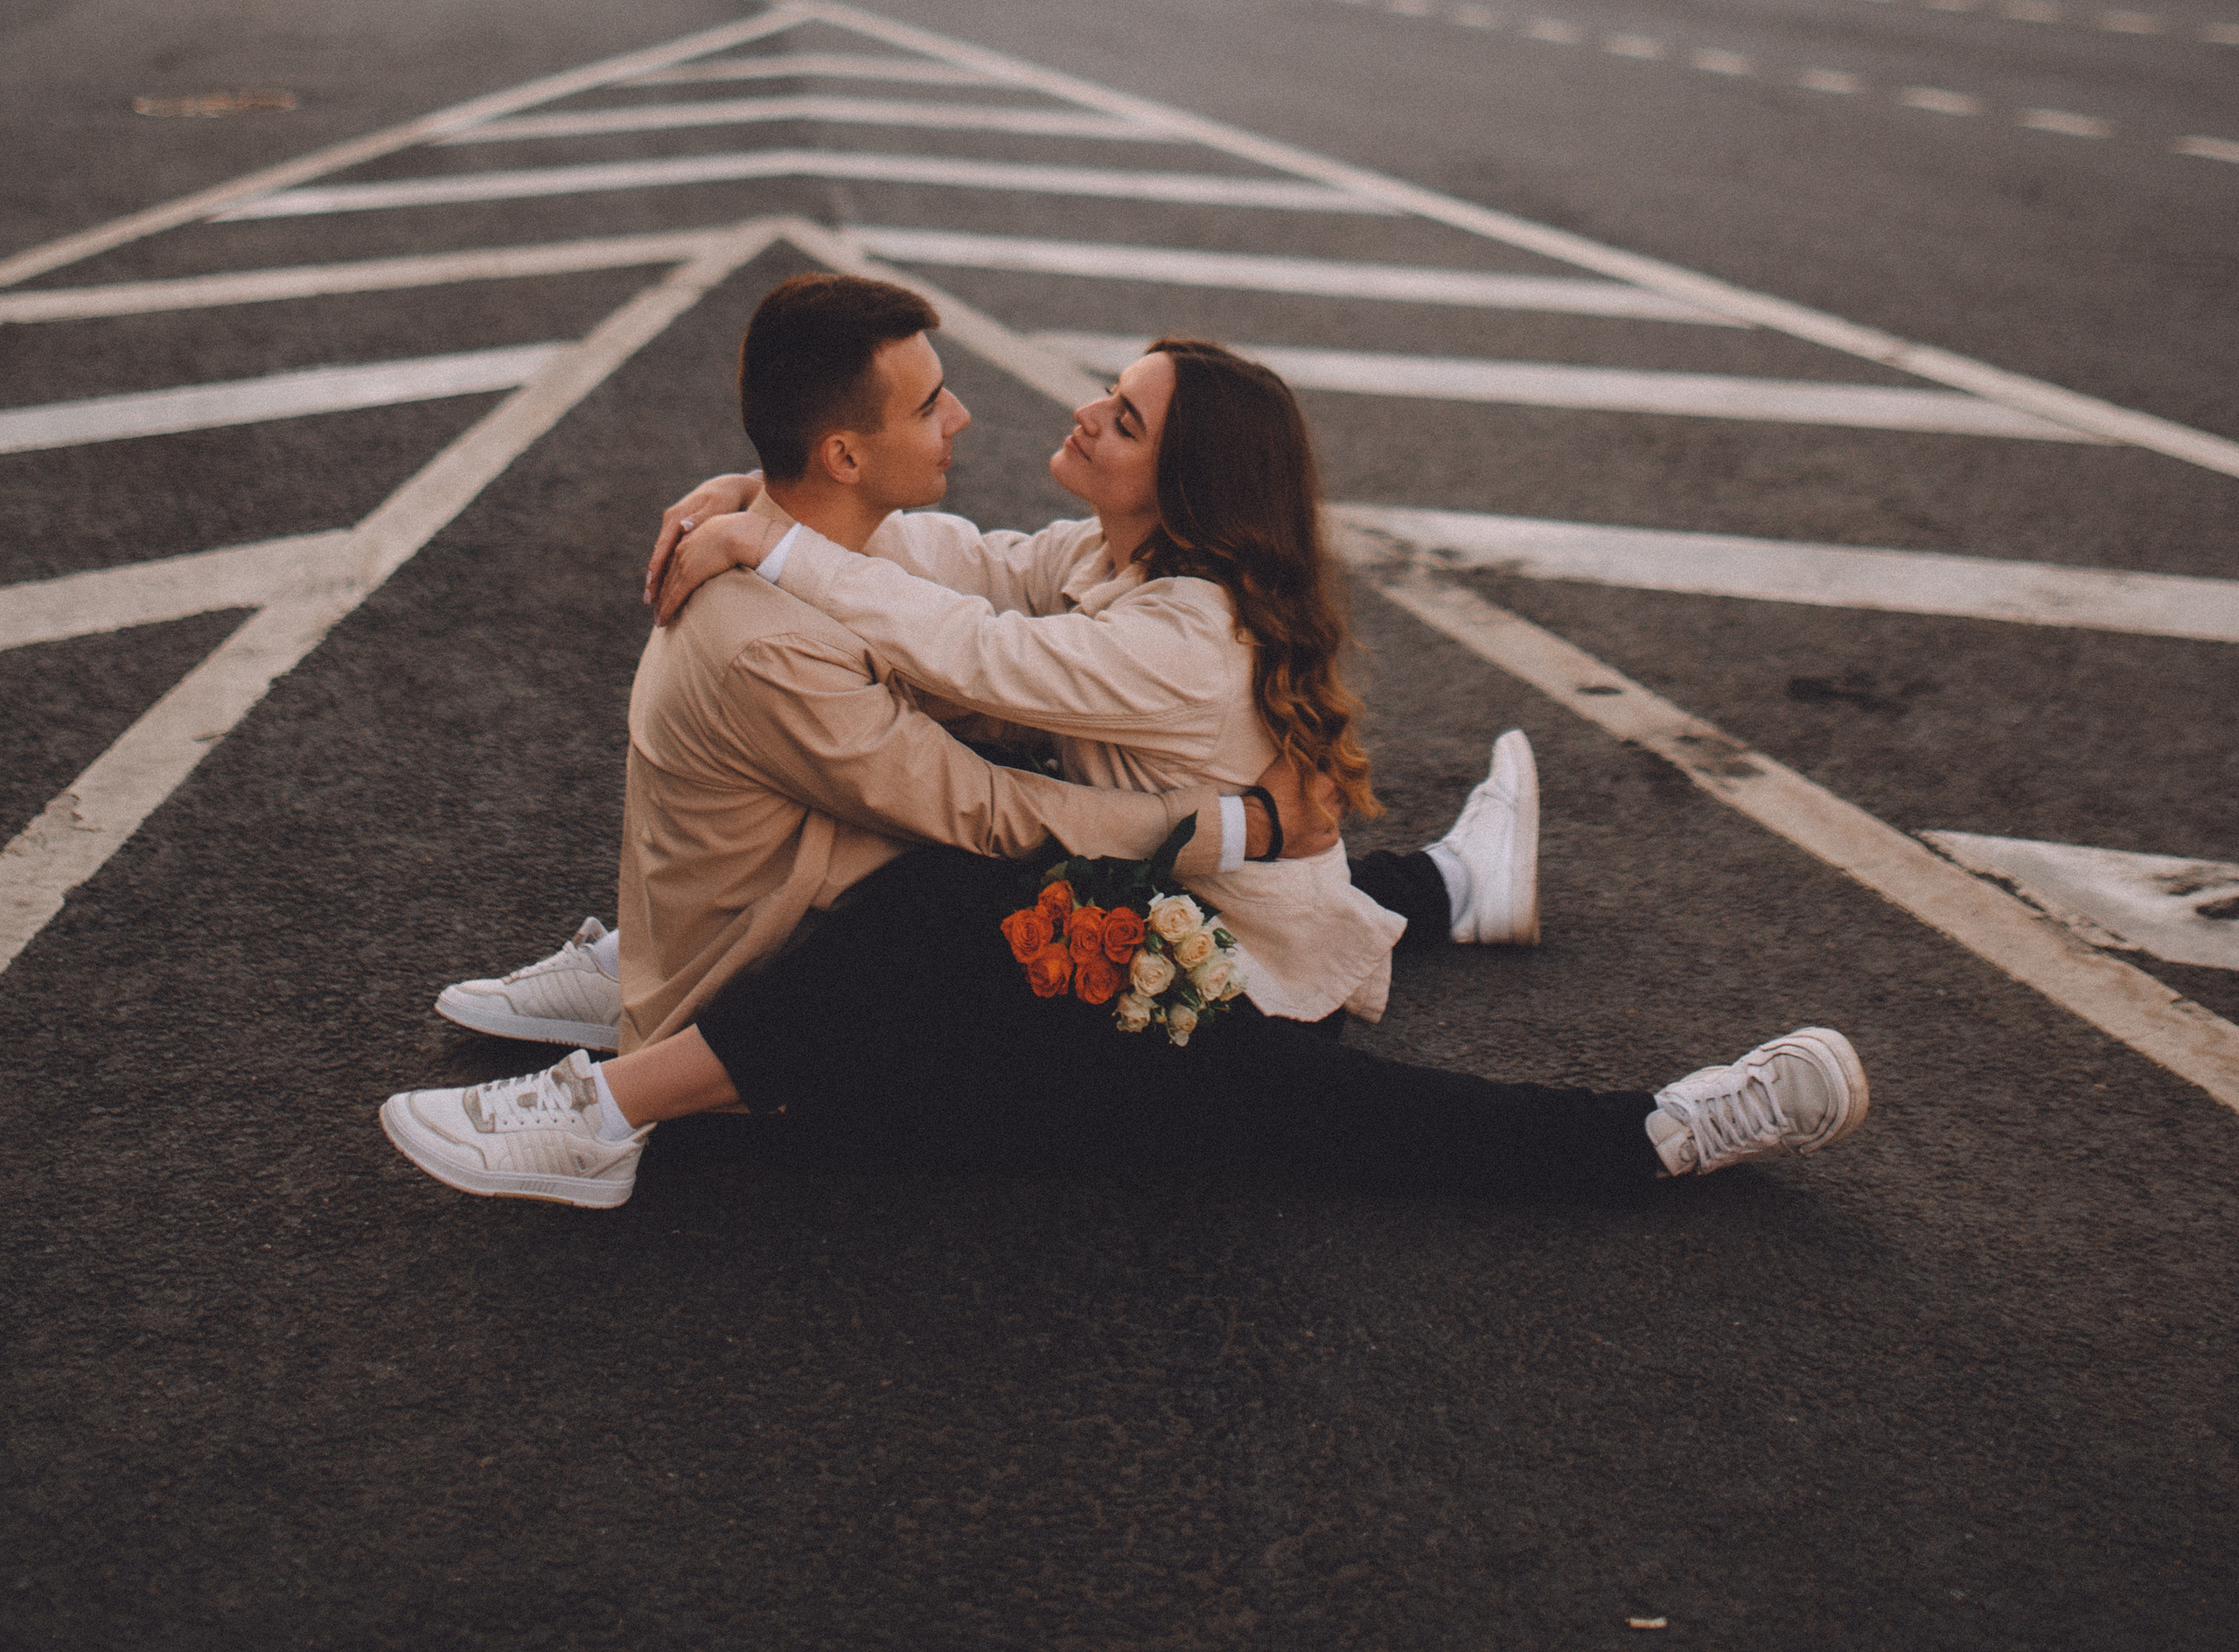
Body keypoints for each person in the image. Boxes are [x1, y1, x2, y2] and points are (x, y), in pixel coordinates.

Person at [380, 305, 1868, 1216]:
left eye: (1126, 414)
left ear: (1185, 474)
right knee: (991, 895)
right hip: (1173, 926)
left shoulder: (1179, 631)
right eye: (1112, 389)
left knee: (1349, 1124)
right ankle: (1467, 882)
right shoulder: (1106, 559)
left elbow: (963, 649)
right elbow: (959, 561)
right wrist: (756, 492)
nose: (1088, 411)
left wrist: (770, 539)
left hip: (1215, 986)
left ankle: (1672, 1127)